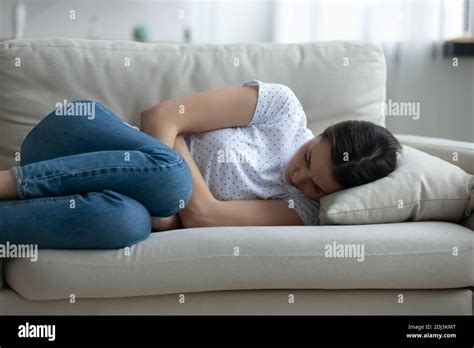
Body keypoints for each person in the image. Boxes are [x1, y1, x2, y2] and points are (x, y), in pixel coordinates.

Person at [0, 80, 402, 249]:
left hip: (107, 197)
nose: (296, 177)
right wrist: (170, 191)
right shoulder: (282, 108)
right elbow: (160, 116)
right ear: (323, 133)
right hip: (77, 135)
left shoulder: (304, 210)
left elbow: (205, 217)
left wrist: (175, 156)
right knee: (171, 179)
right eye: (308, 157)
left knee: (128, 225)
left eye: (316, 185)